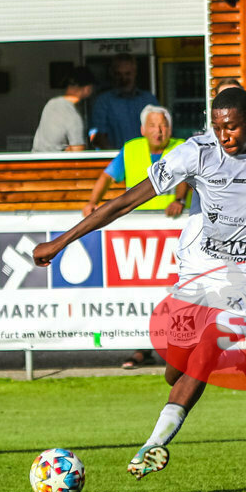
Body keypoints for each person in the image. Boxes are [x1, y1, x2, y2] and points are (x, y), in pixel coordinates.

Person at [33, 88, 246, 480]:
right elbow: (125, 201)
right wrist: (63, 240)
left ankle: (153, 443)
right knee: (175, 368)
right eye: (218, 127)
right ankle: (243, 356)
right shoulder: (197, 152)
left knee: (206, 349)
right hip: (199, 265)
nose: (224, 137)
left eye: (232, 128)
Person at [82, 104, 190, 370]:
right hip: (137, 233)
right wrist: (92, 202)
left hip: (172, 230)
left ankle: (178, 347)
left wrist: (178, 199)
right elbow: (107, 177)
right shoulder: (130, 149)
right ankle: (141, 349)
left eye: (163, 125)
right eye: (152, 125)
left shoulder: (181, 146)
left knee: (176, 292)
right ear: (143, 129)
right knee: (139, 294)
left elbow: (185, 175)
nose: (158, 130)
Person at [90, 54, 159, 151]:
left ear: (135, 73)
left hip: (147, 159)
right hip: (116, 160)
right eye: (119, 74)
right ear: (112, 74)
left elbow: (160, 131)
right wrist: (117, 158)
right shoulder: (103, 101)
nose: (123, 78)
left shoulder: (148, 100)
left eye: (127, 74)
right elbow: (98, 137)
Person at [31, 67, 95, 152]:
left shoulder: (51, 104)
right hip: (56, 164)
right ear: (87, 89)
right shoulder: (73, 116)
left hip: (36, 161)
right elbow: (78, 153)